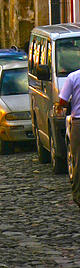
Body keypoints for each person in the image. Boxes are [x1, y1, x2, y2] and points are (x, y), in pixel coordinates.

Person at [58, 67, 80, 208]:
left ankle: (78, 194)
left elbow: (63, 101)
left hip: (78, 122)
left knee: (77, 159)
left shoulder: (73, 77)